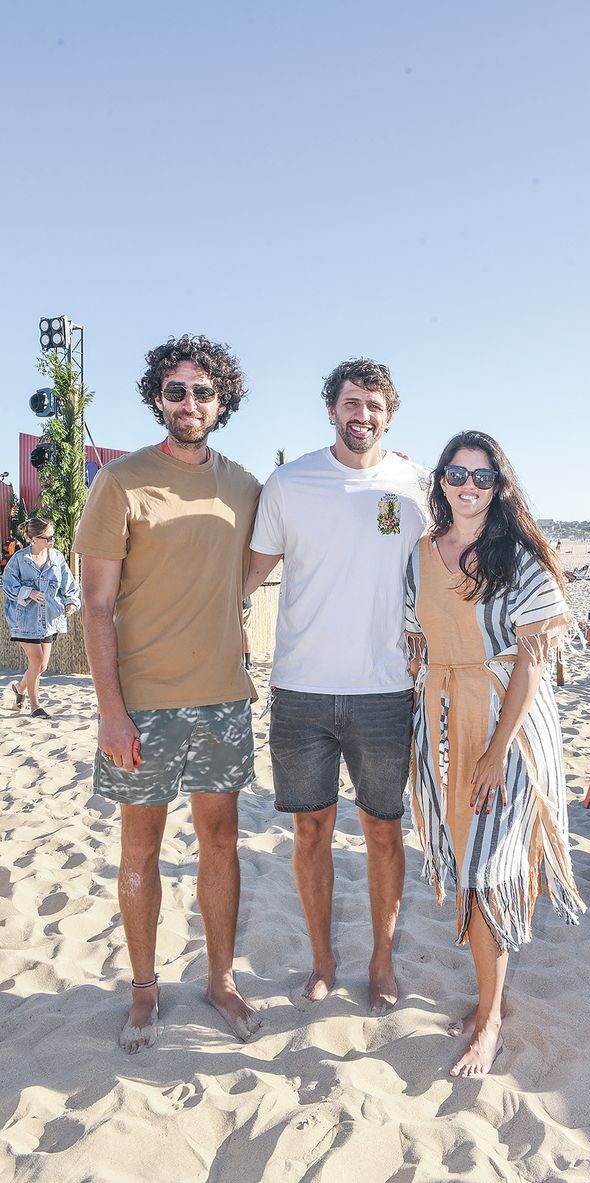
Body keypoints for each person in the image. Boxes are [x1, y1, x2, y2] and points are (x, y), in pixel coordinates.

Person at [74, 335, 262, 1054]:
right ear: (158, 396)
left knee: (221, 841)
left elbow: (262, 562)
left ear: (223, 401)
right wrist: (110, 710)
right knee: (141, 852)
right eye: (177, 390)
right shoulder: (118, 480)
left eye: (204, 392)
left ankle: (220, 979)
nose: (190, 403)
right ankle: (145, 988)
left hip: (223, 699)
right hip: (142, 703)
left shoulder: (245, 484)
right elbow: (95, 605)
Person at [244, 357, 428, 1014]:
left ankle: (381, 960)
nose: (363, 415)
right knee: (311, 830)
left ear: (390, 414)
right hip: (301, 691)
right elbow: (244, 577)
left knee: (384, 830)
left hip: (385, 692)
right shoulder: (290, 484)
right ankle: (322, 960)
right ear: (332, 410)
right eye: (352, 403)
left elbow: (446, 571)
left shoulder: (415, 484)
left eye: (375, 405)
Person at [405, 430, 585, 1078]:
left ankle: (490, 1020)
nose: (468, 486)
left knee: (487, 870)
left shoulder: (519, 559)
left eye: (482, 477)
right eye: (457, 473)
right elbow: (416, 639)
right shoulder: (422, 554)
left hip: (505, 730)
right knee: (467, 861)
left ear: (498, 486)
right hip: (445, 727)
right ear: (442, 480)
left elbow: (534, 666)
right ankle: (489, 996)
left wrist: (494, 753)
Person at [2, 517, 80, 718]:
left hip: (50, 620)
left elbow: (69, 585)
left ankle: (19, 690)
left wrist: (71, 602)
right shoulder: (19, 559)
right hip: (24, 621)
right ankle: (35, 706)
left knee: (42, 665)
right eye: (48, 537)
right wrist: (27, 592)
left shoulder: (57, 558)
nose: (53, 540)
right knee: (36, 660)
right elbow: (9, 586)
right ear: (34, 538)